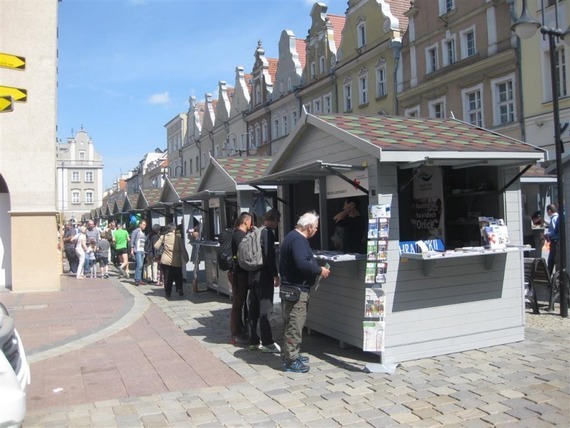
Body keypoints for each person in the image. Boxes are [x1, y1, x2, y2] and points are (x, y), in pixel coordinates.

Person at [280, 211, 330, 373]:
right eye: (315, 228)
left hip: (292, 288)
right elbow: (302, 264)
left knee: (293, 322)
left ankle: (292, 354)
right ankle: (291, 360)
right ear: (309, 227)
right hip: (297, 289)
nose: (316, 231)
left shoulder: (291, 237)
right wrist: (319, 270)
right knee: (295, 324)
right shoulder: (298, 241)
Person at [247, 209, 281, 353]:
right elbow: (268, 255)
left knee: (253, 309)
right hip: (263, 276)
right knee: (265, 308)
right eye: (278, 221)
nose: (278, 225)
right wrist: (275, 275)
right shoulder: (268, 233)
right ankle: (267, 342)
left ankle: (253, 340)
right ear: (274, 220)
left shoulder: (256, 232)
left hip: (252, 274)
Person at [230, 212, 253, 345]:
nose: (251, 225)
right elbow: (242, 254)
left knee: (242, 302)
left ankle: (241, 328)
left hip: (241, 273)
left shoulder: (239, 234)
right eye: (250, 222)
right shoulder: (239, 235)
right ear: (245, 222)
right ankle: (235, 332)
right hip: (240, 274)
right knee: (238, 303)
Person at [155, 223, 189, 298]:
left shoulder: (163, 237)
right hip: (176, 260)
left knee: (167, 277)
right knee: (178, 276)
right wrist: (186, 258)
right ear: (174, 230)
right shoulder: (178, 238)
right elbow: (183, 249)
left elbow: (156, 246)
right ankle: (179, 288)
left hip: (165, 260)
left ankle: (168, 293)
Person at [130, 219, 147, 286]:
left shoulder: (143, 232)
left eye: (145, 225)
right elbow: (132, 240)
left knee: (140, 265)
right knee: (139, 265)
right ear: (140, 224)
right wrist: (132, 249)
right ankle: (137, 279)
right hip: (137, 250)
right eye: (143, 225)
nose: (144, 226)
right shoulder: (135, 231)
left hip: (142, 250)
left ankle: (139, 279)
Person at [544, 204, 559, 275]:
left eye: (547, 211)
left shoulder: (554, 218)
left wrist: (547, 234)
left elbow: (555, 231)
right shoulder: (556, 218)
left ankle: (549, 278)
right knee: (552, 261)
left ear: (549, 211)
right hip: (555, 242)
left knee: (551, 261)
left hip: (554, 242)